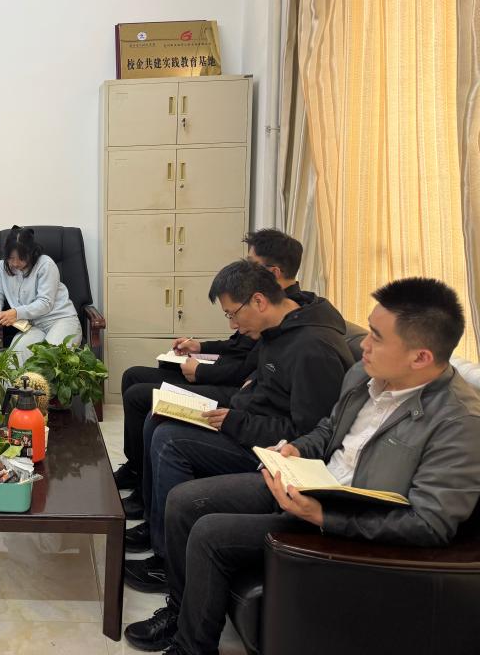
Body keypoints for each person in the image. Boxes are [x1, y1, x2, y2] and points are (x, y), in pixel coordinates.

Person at [126, 277, 480, 654]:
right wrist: (295, 449)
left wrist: (324, 516)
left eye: (376, 338)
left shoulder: (459, 423)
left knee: (209, 532)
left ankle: (191, 647)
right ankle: (179, 613)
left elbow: (430, 523)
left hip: (343, 518)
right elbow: (328, 429)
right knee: (184, 501)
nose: (363, 344)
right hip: (308, 483)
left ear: (420, 357)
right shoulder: (365, 376)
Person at [124, 259, 353, 591]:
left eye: (233, 314)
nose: (233, 325)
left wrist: (237, 420)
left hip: (272, 453)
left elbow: (308, 435)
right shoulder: (278, 329)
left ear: (258, 301)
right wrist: (245, 393)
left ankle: (165, 561)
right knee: (157, 416)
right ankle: (156, 527)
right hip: (245, 421)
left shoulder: (314, 349)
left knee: (170, 440)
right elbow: (267, 386)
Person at [116, 229, 306, 518]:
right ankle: (138, 473)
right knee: (135, 377)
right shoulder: (270, 315)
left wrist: (202, 371)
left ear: (272, 274)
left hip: (237, 401)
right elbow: (239, 349)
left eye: (252, 264)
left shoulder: (286, 323)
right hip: (242, 401)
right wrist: (201, 347)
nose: (247, 271)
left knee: (150, 406)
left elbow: (246, 371)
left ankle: (147, 499)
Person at [0, 226, 82, 365]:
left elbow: (45, 303)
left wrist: (16, 313)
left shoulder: (46, 264)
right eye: (11, 258)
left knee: (49, 361)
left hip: (60, 320)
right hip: (31, 326)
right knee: (14, 360)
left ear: (31, 253)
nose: (15, 263)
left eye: (21, 258)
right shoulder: (1, 267)